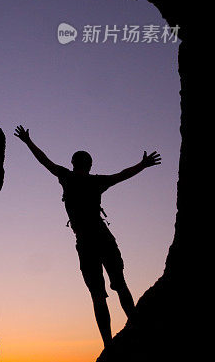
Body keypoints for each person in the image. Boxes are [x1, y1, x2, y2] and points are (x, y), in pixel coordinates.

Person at [14, 125, 161, 347]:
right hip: (102, 237)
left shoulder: (66, 177)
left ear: (73, 164)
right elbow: (122, 175)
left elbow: (45, 161)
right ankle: (136, 328)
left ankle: (108, 344)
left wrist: (28, 142)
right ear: (90, 165)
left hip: (85, 241)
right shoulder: (95, 181)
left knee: (98, 295)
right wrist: (143, 164)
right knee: (120, 285)